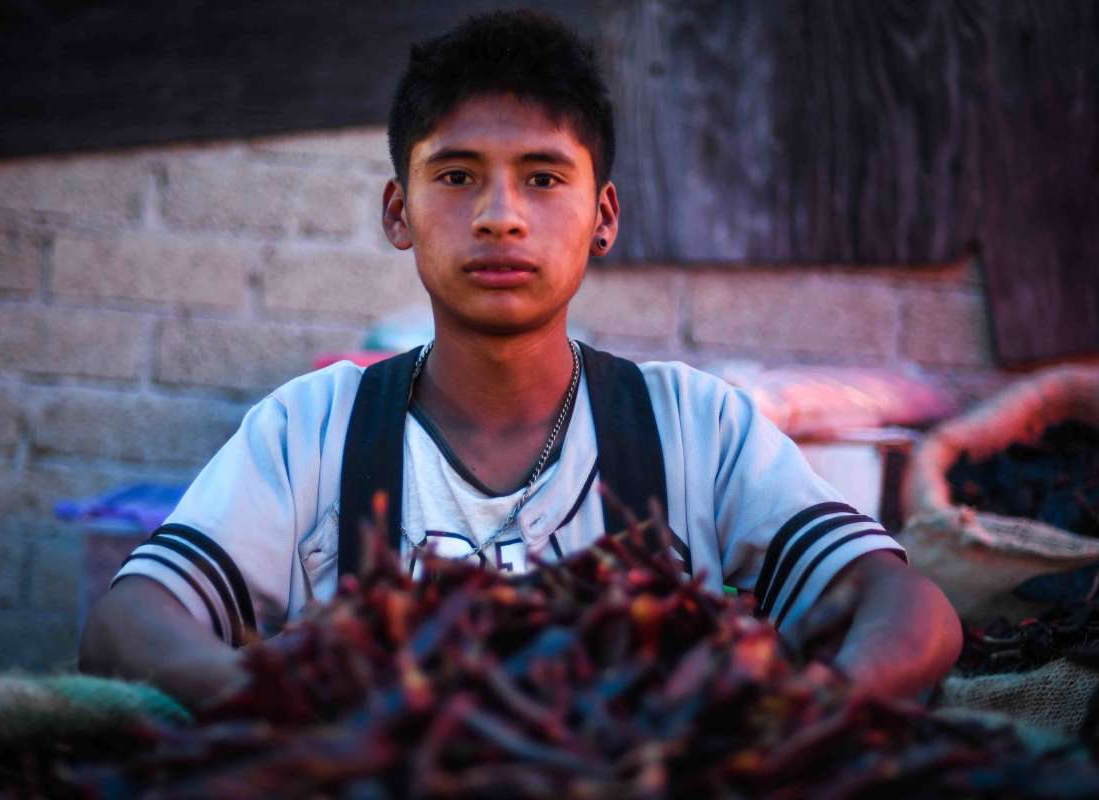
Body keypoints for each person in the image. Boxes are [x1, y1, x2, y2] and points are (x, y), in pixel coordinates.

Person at [79, 10, 961, 711]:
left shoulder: (693, 426)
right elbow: (128, 621)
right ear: (398, 212)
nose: (501, 215)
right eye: (457, 176)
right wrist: (273, 703)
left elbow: (907, 607)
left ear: (603, 217)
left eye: (543, 177)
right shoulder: (312, 429)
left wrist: (812, 714)